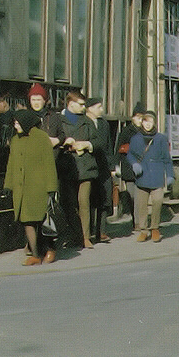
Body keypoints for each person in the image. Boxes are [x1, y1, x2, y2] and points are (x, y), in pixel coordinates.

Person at [4, 110, 59, 266]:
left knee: (42, 222)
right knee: (27, 221)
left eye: (17, 122)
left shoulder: (41, 138)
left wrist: (51, 188)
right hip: (21, 189)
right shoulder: (15, 140)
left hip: (39, 187)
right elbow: (11, 165)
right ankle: (35, 255)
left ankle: (50, 249)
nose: (15, 126)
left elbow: (49, 165)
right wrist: (8, 185)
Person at [126, 111, 175, 242]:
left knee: (158, 201)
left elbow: (167, 158)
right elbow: (130, 154)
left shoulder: (161, 138)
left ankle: (155, 228)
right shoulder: (135, 138)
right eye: (145, 121)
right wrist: (134, 164)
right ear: (142, 122)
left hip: (157, 175)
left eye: (150, 121)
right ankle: (143, 230)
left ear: (154, 123)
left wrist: (170, 175)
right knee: (141, 205)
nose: (148, 124)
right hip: (142, 175)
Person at [60, 91, 98, 249]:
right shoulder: (59, 120)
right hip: (67, 167)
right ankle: (75, 234)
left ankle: (85, 237)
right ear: (70, 104)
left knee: (84, 202)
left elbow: (97, 141)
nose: (84, 107)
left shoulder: (87, 121)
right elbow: (54, 138)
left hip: (85, 167)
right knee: (68, 203)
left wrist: (87, 145)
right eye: (81, 104)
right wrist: (64, 142)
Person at [84, 97, 112, 244]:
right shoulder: (83, 122)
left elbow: (108, 146)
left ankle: (101, 231)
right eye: (98, 107)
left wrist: (112, 167)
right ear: (89, 108)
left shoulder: (104, 124)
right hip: (88, 166)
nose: (101, 109)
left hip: (103, 166)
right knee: (89, 200)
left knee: (104, 199)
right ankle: (88, 232)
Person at [114, 102, 146, 223]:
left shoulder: (147, 131)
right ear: (133, 118)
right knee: (133, 195)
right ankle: (135, 219)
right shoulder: (126, 131)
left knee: (141, 196)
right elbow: (118, 148)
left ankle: (139, 222)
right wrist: (116, 165)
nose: (140, 120)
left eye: (142, 117)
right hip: (129, 167)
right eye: (138, 117)